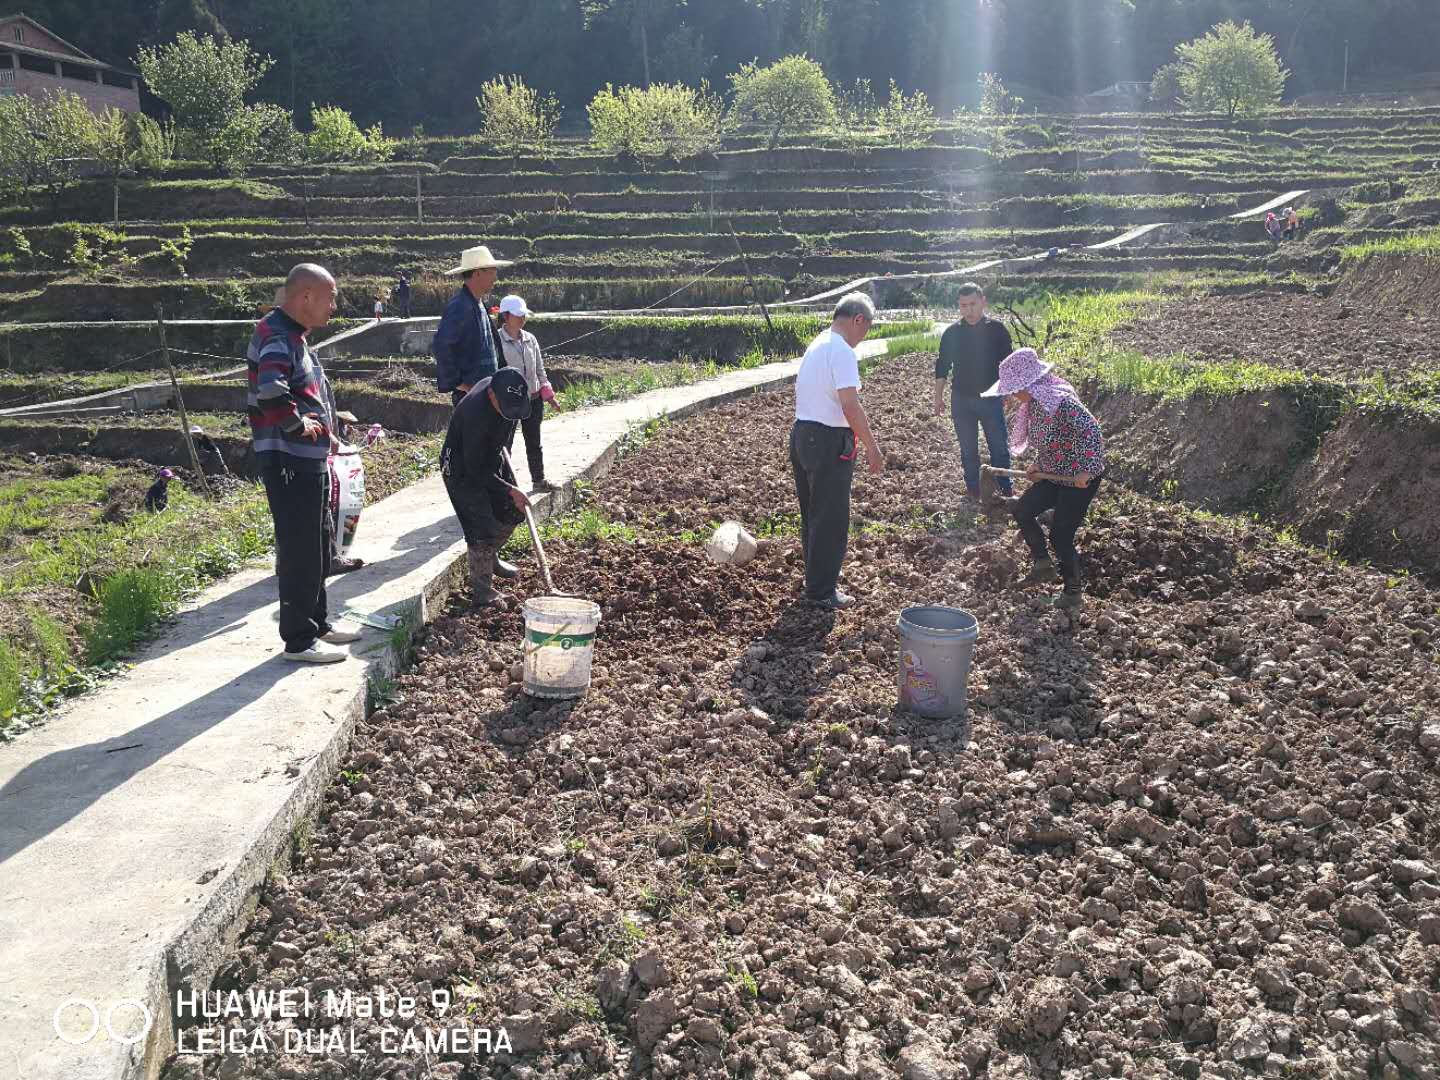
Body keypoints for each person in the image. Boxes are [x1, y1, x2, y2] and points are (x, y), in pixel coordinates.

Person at [247, 263, 364, 663]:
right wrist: (301, 428)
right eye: (330, 297)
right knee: (299, 548)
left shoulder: (292, 335)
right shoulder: (278, 336)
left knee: (316, 541)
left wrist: (324, 430)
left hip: (306, 458)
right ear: (306, 297)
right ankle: (298, 639)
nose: (334, 305)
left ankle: (318, 621)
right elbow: (271, 393)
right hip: (289, 460)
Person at [981, 347, 1106, 609]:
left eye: (1014, 388)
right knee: (1023, 509)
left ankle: (1072, 593)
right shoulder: (1034, 405)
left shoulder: (1061, 402)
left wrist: (1088, 469)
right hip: (1055, 472)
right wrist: (1037, 465)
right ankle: (1042, 564)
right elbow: (1050, 443)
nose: (1012, 394)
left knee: (1060, 535)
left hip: (1079, 477)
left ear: (1030, 383)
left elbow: (1092, 432)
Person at [790, 292, 885, 611]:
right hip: (828, 439)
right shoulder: (842, 351)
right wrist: (872, 446)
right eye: (866, 329)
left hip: (803, 434)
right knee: (830, 517)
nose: (863, 337)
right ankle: (821, 590)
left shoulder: (819, 343)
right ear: (859, 320)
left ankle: (814, 580)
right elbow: (850, 405)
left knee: (813, 514)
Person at [441, 367, 533, 611]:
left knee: (513, 511)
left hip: (489, 459)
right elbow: (475, 470)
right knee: (480, 528)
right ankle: (482, 592)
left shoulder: (507, 398)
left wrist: (508, 479)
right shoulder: (475, 415)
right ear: (492, 395)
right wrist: (509, 489)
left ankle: (490, 557)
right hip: (462, 470)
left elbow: (505, 431)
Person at [933, 283, 1014, 501]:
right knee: (968, 449)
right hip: (961, 399)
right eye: (963, 305)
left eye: (972, 304)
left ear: (983, 302)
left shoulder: (997, 330)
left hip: (990, 397)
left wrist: (1009, 393)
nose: (968, 310)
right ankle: (973, 490)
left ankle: (1004, 489)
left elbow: (1008, 364)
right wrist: (938, 397)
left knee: (998, 447)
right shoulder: (952, 333)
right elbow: (942, 365)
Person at [434, 245, 512, 407]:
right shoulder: (460, 306)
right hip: (472, 397)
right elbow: (442, 345)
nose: (495, 277)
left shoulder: (479, 304)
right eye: (492, 270)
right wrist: (460, 384)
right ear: (477, 273)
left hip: (487, 392)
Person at [496, 294, 558, 493]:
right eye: (517, 315)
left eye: (523, 315)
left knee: (534, 442)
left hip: (533, 399)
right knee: (505, 445)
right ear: (505, 316)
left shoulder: (530, 339)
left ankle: (538, 480)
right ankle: (507, 487)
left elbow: (540, 370)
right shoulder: (497, 341)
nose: (522, 319)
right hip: (508, 404)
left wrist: (548, 395)